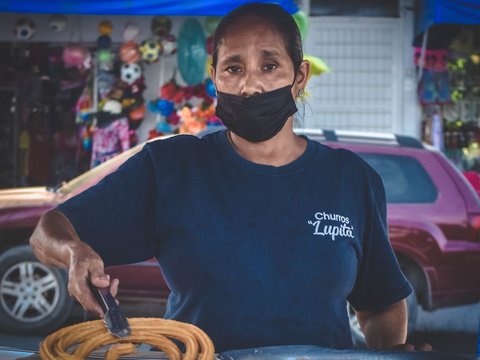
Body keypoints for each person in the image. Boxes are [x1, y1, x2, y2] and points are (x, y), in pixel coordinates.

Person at [30, 3, 430, 353]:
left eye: (269, 65)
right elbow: (49, 230)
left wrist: (392, 352)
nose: (250, 84)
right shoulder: (172, 166)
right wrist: (74, 253)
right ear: (215, 77)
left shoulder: (352, 179)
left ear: (300, 76)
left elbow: (379, 303)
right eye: (233, 68)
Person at [19, 109, 53, 186]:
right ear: (30, 122)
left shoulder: (45, 136)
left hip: (44, 174)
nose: (38, 122)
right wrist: (23, 174)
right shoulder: (26, 135)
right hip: (31, 175)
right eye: (36, 120)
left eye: (40, 120)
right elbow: (22, 155)